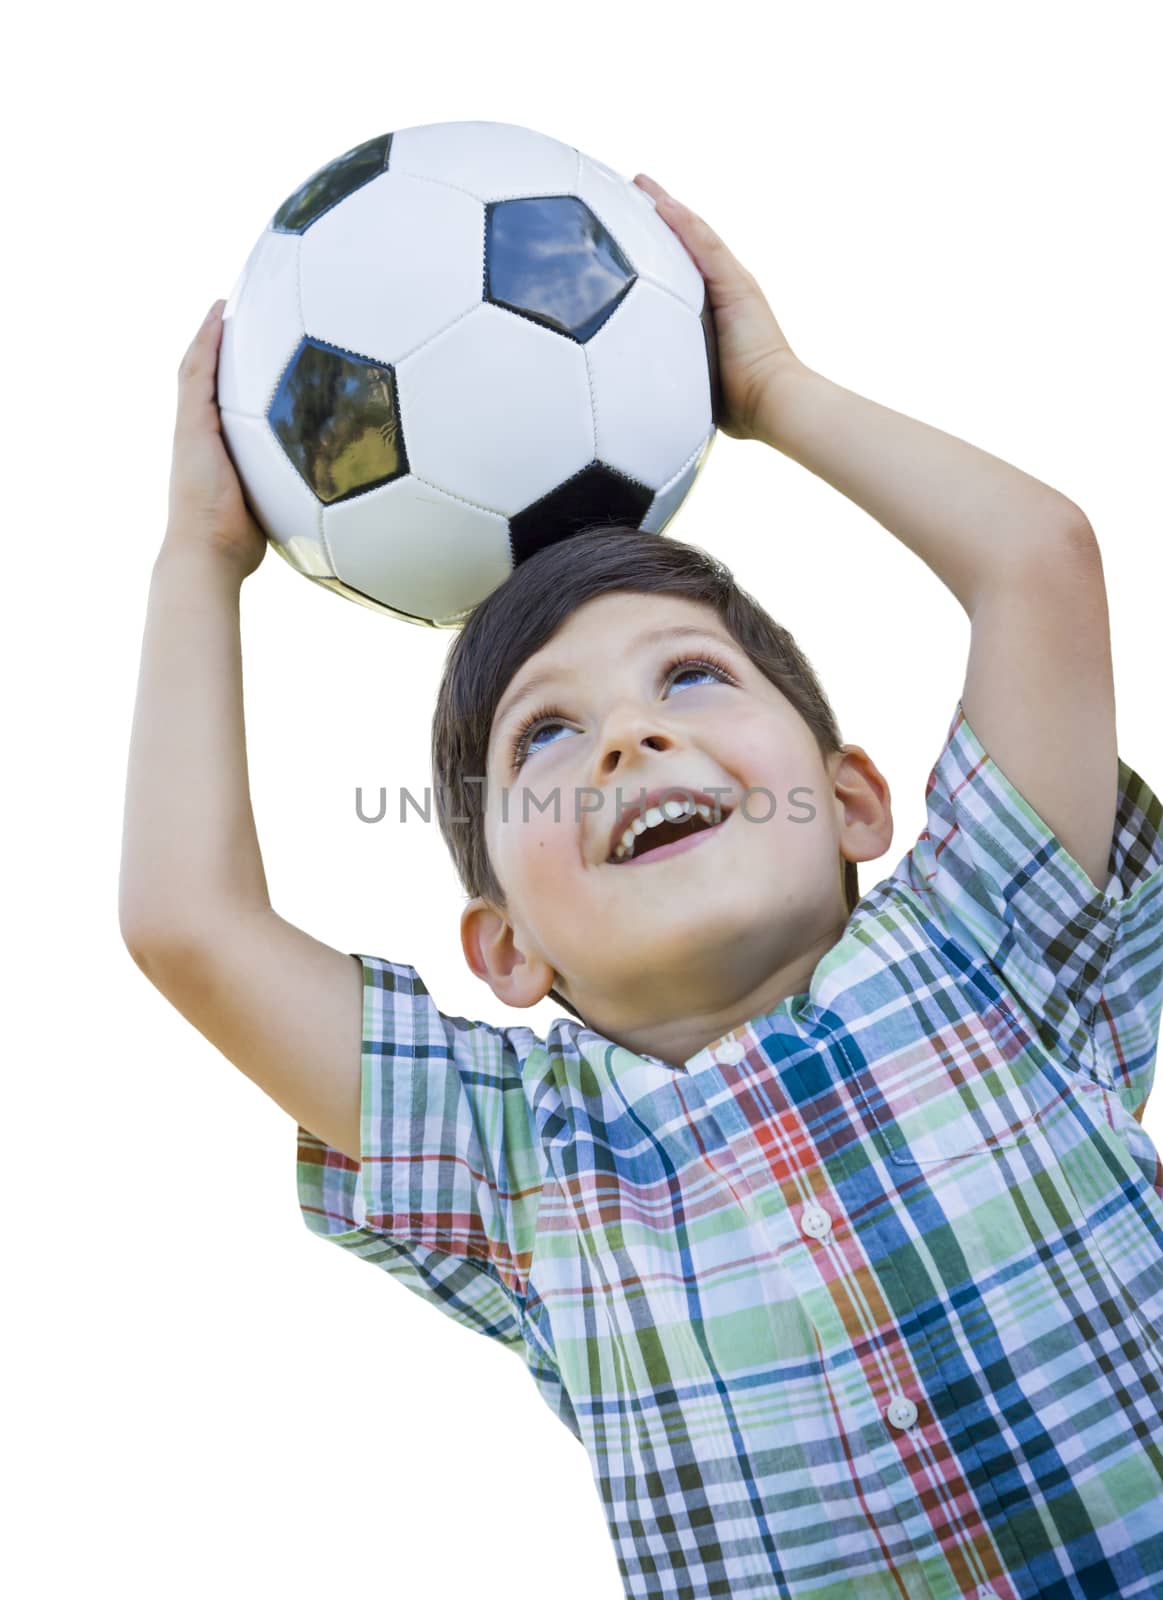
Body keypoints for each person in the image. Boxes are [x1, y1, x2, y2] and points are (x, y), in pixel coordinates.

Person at [120, 172, 1163, 1600]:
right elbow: (187, 921)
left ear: (852, 800)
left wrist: (776, 391)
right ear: (504, 947)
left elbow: (1038, 562)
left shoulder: (990, 937)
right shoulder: (522, 1162)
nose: (629, 735)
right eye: (546, 735)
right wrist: (200, 556)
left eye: (691, 677)